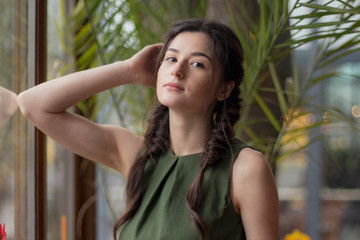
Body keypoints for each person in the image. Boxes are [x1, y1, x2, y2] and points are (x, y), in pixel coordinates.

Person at [18, 19, 279, 240]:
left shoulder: (246, 169)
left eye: (197, 64)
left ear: (224, 88)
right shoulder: (136, 155)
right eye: (171, 58)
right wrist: (128, 69)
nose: (177, 70)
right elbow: (32, 104)